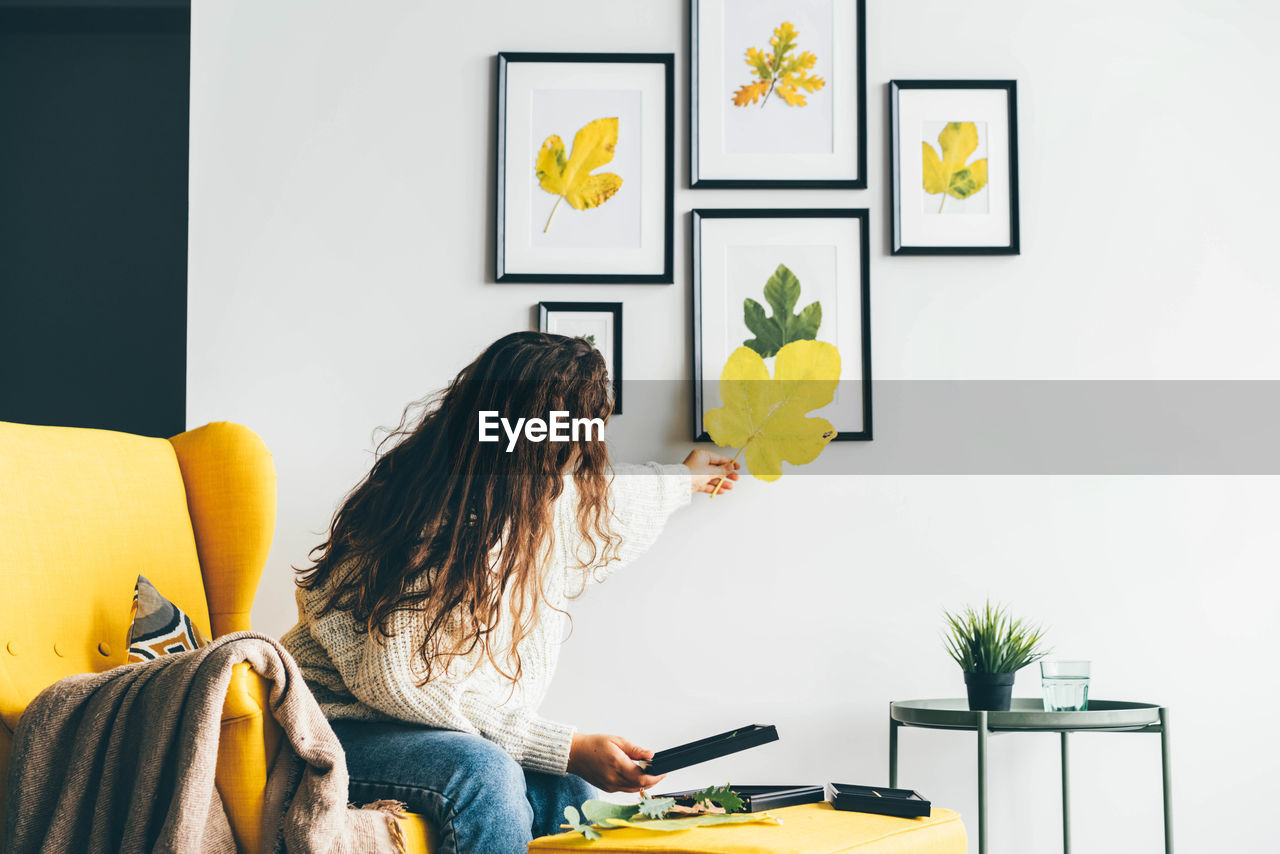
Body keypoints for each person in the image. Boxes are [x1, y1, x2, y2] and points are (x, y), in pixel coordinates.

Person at [281, 331, 739, 854]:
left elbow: (613, 506)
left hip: (430, 734)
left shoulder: (527, 499)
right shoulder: (425, 514)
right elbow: (397, 682)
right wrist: (563, 745)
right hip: (333, 728)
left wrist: (686, 479)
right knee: (487, 776)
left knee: (573, 794)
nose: (581, 452)